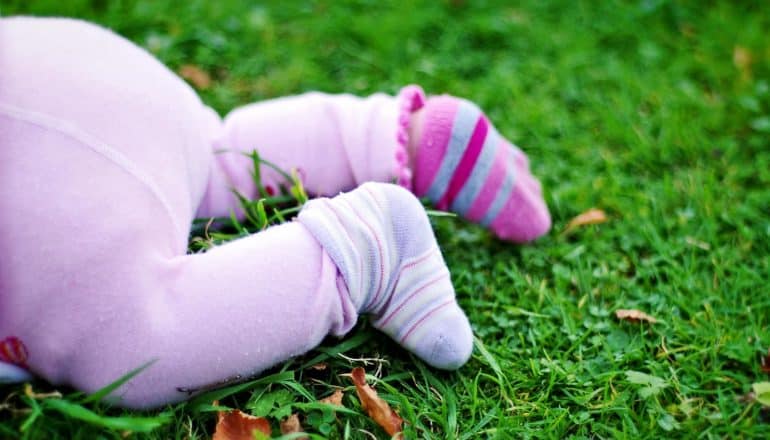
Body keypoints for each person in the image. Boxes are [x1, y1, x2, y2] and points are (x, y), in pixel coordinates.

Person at [0, 16, 550, 408]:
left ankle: (367, 250)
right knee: (214, 154)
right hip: (70, 57)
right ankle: (397, 137)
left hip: (36, 186)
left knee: (125, 343)